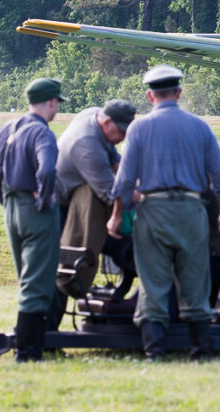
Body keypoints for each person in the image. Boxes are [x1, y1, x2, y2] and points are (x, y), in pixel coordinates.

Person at [107, 64, 220, 362]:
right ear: (179, 92)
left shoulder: (138, 128)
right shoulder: (200, 127)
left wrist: (115, 214)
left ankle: (154, 354)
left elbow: (124, 180)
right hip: (192, 212)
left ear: (150, 97)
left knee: (153, 282)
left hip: (152, 212)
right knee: (196, 282)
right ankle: (200, 353)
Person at [0, 77, 65, 362]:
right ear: (52, 102)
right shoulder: (42, 133)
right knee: (38, 284)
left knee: (26, 279)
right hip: (35, 212)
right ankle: (29, 353)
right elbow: (47, 171)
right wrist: (43, 200)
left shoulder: (7, 127)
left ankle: (28, 345)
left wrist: (8, 201)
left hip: (11, 208)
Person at [53, 99, 136, 301]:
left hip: (78, 195)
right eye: (121, 132)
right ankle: (48, 325)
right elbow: (112, 195)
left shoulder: (95, 115)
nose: (123, 137)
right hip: (59, 207)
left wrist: (138, 178)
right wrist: (150, 196)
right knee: (67, 260)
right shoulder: (87, 145)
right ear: (106, 122)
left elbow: (115, 161)